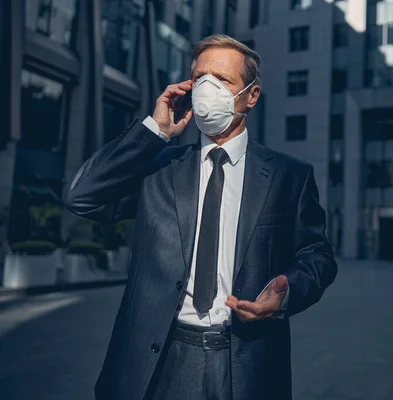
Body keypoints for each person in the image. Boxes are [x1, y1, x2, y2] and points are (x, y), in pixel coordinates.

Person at [62, 34, 337, 400]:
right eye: (200, 77)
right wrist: (154, 133)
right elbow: (81, 197)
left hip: (246, 360)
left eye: (222, 80)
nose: (208, 88)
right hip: (160, 359)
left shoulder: (290, 175)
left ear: (251, 95)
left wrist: (288, 290)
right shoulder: (158, 167)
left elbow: (318, 256)